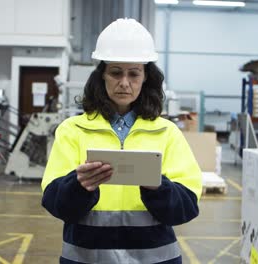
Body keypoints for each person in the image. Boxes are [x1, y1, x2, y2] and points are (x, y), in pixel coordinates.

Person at [41, 18, 202, 264]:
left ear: (146, 77)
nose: (124, 82)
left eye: (133, 74)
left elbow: (187, 206)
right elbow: (55, 204)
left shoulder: (167, 133)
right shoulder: (72, 131)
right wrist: (79, 186)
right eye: (116, 72)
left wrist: (158, 188)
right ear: (102, 76)